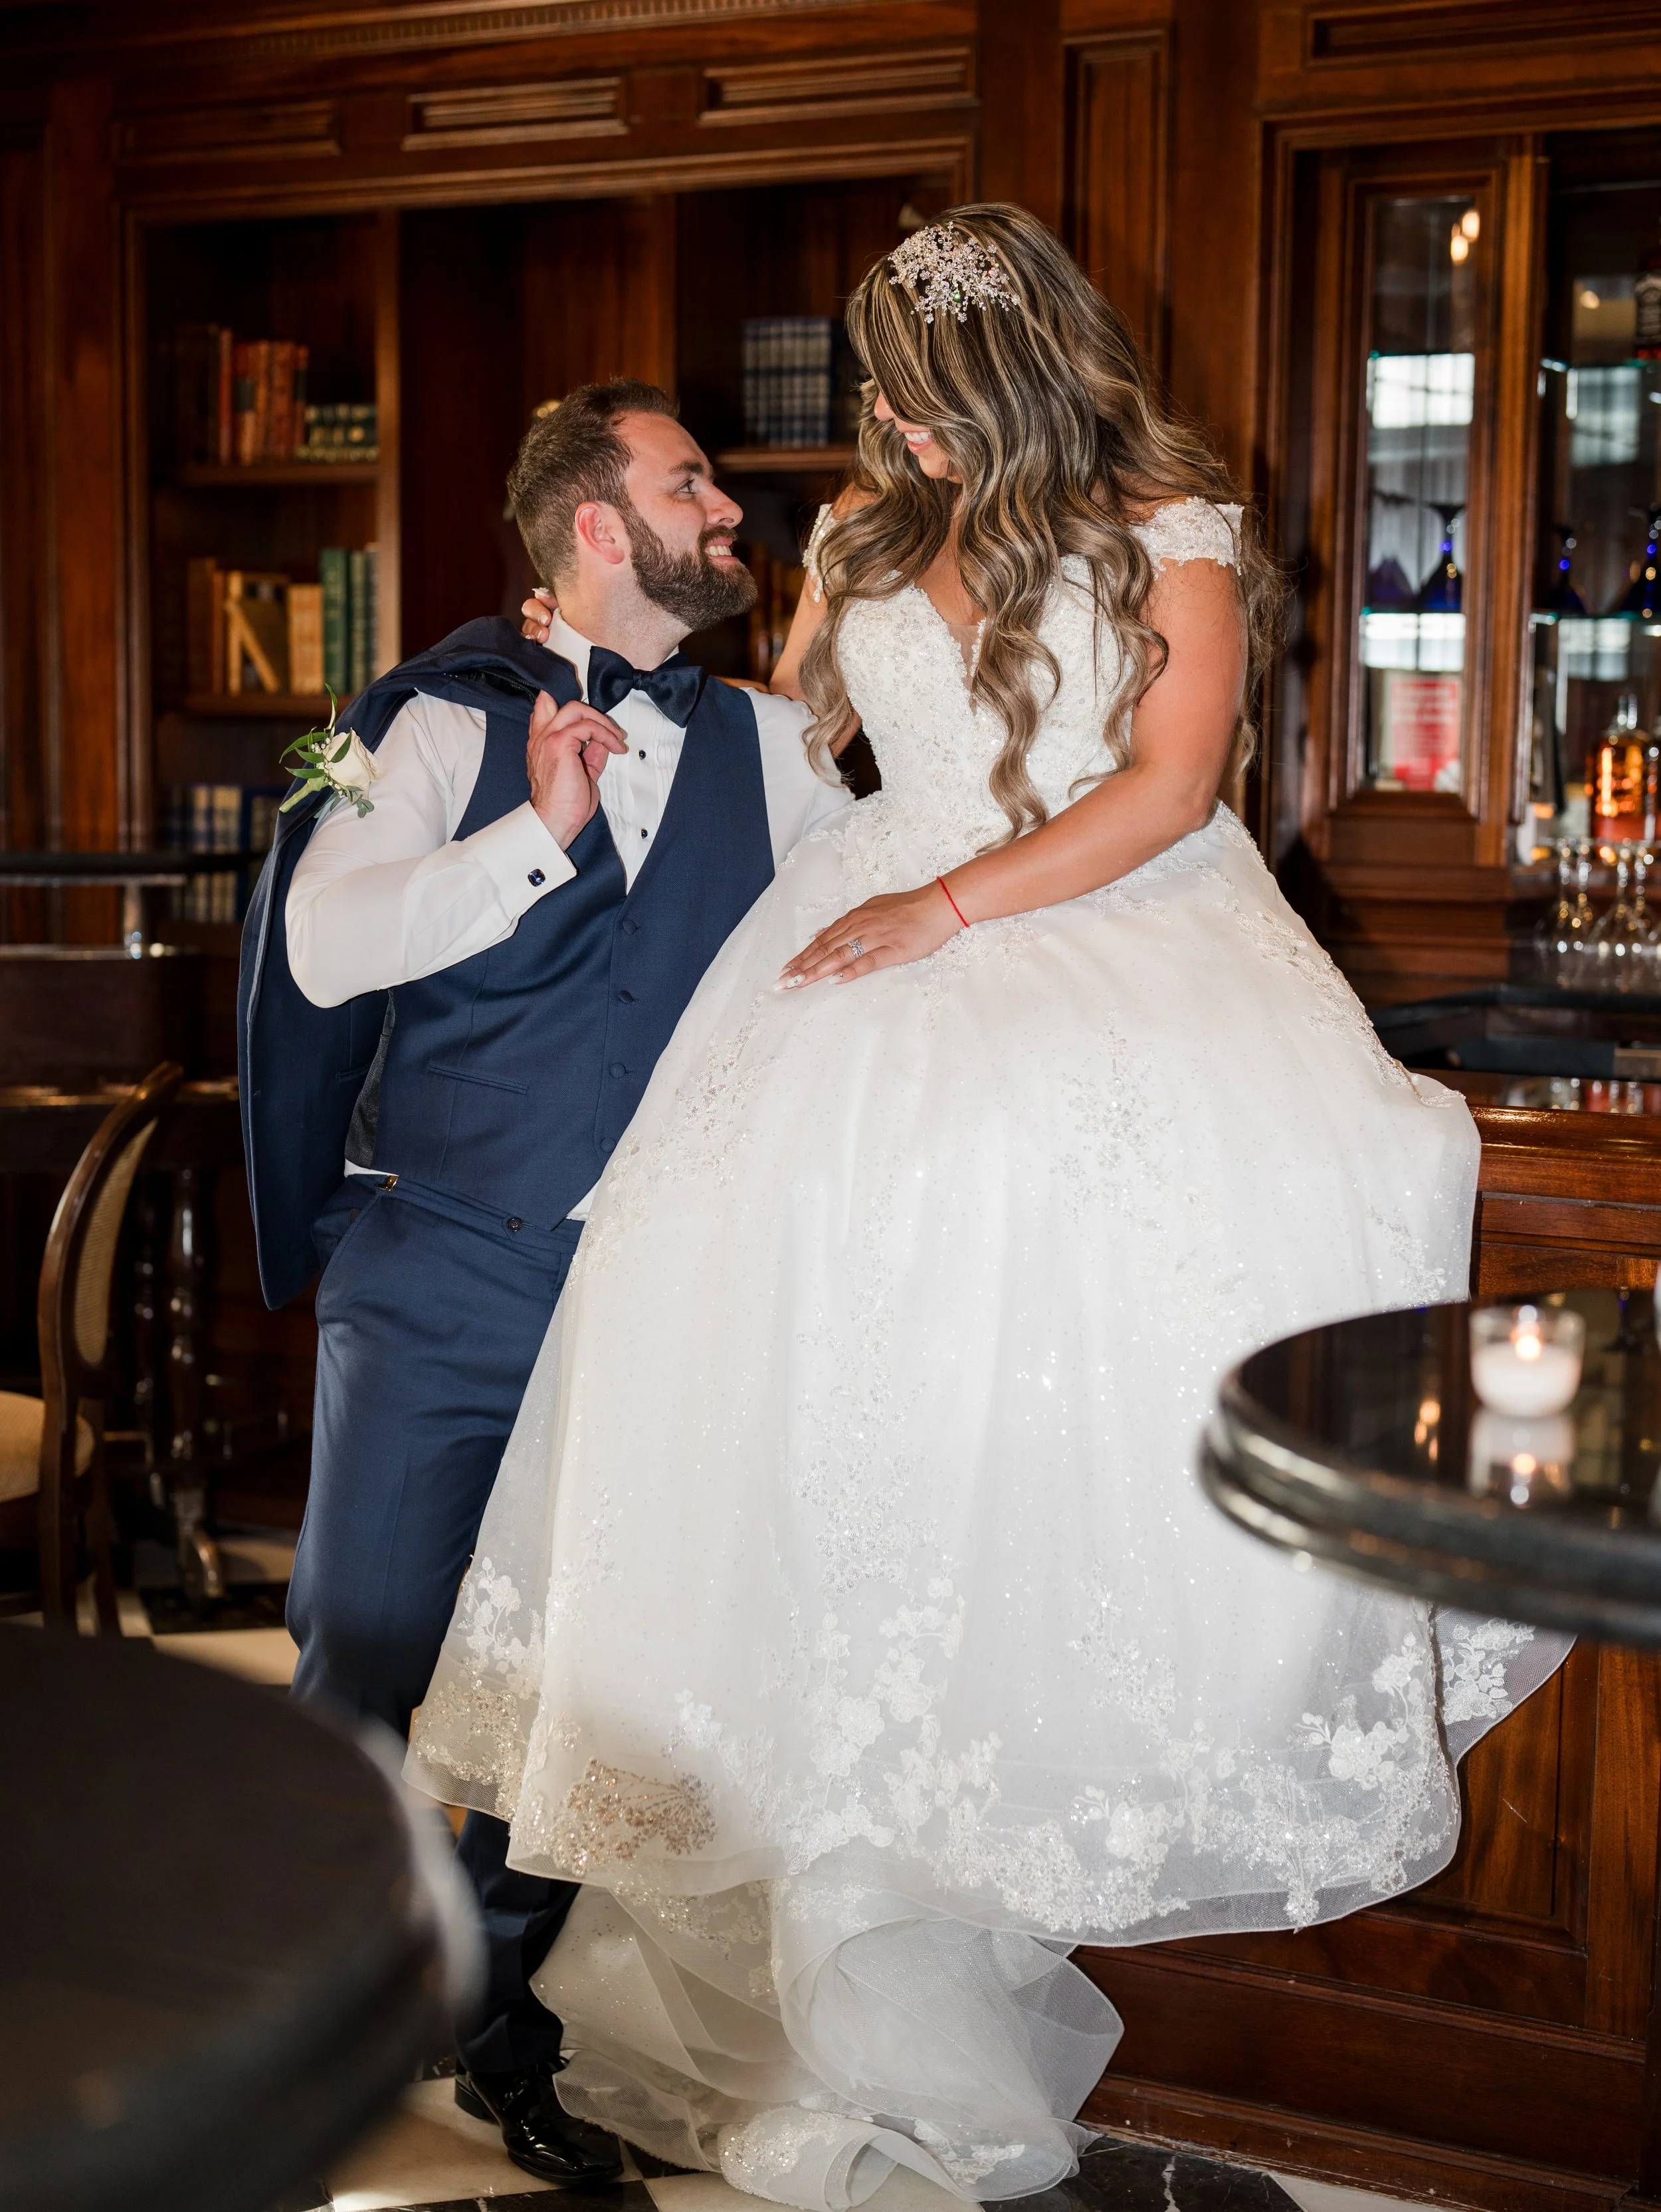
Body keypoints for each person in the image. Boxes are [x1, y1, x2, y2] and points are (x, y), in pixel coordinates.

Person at [407, 208, 1566, 2211]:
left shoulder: (1166, 516)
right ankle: (834, 1880)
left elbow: (1171, 784)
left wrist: (943, 903)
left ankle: (1029, 1811)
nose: (877, 420)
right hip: (851, 943)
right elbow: (802, 742)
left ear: (996, 373)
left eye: (902, 385)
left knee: (1079, 1304)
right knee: (771, 1364)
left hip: (1095, 917)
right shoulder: (868, 525)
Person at [236, 380, 849, 2185]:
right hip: (445, 1272)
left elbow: (852, 956)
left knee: (571, 1692)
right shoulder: (424, 717)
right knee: (369, 1645)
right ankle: (284, 2008)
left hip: (662, 1303)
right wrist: (536, 836)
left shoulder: (773, 746)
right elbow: (325, 941)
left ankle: (500, 2023)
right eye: (693, 485)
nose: (728, 508)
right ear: (600, 526)